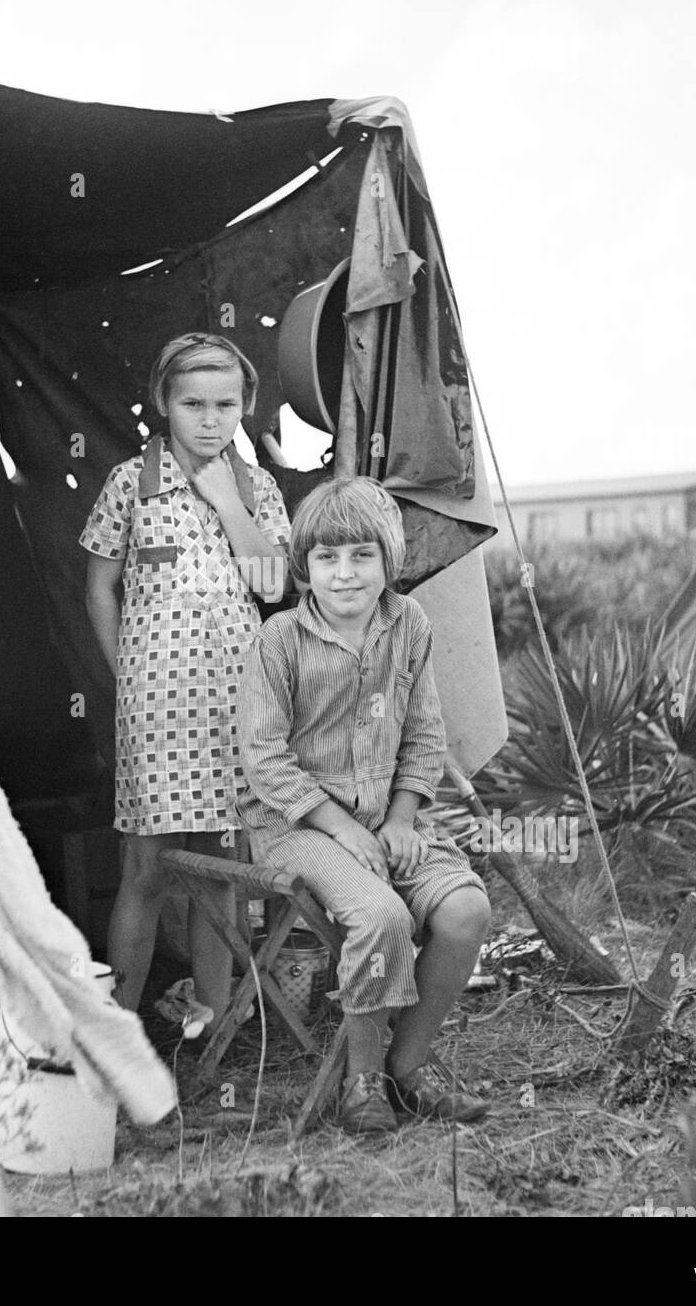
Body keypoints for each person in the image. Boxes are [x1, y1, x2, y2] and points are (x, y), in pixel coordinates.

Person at [237, 476, 492, 1134]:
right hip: (297, 825)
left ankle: (406, 1069)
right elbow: (264, 758)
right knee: (378, 914)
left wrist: (404, 817)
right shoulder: (279, 641)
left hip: (384, 817)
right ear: (304, 567)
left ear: (389, 560)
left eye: (361, 556)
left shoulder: (408, 626)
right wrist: (343, 828)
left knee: (466, 909)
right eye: (327, 558)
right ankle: (362, 1083)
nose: (345, 574)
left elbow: (424, 733)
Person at [80, 333, 290, 1026]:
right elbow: (99, 586)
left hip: (236, 703)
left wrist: (227, 500)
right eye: (192, 403)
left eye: (225, 405)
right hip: (157, 710)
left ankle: (212, 1024)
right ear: (163, 403)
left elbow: (273, 585)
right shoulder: (129, 485)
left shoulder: (257, 488)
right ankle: (120, 1033)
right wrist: (125, 677)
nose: (209, 419)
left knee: (219, 869)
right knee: (145, 866)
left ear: (244, 406)